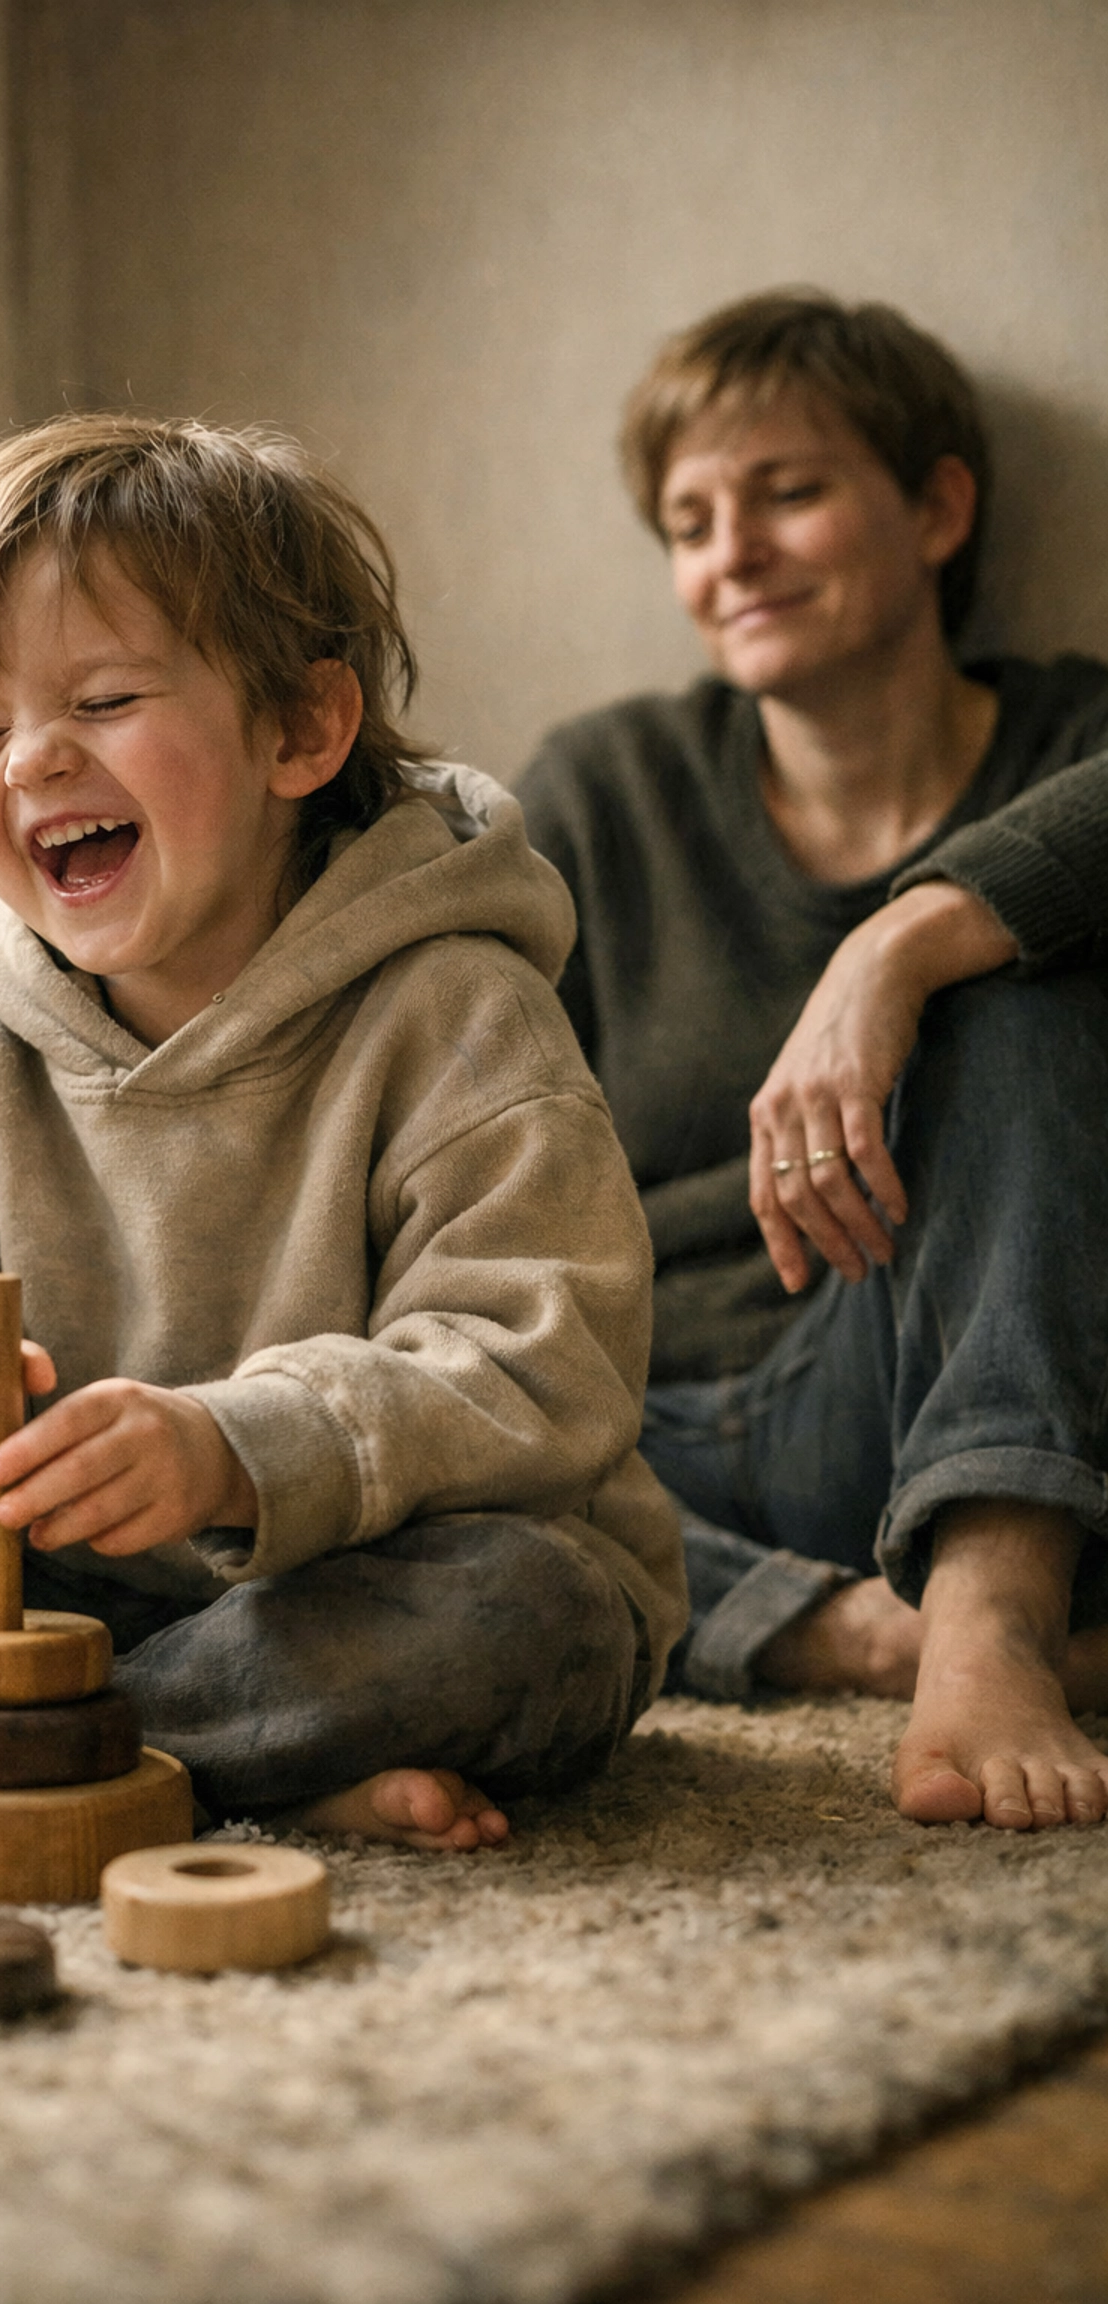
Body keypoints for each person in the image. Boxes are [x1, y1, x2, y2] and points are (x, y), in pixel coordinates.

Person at [0, 413, 683, 1849]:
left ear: (301, 729)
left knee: (527, 1619)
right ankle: (235, 1767)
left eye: (100, 702)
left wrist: (237, 1449)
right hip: (46, 1605)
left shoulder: (460, 1007)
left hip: (344, 1589)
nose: (29, 762)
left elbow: (547, 1369)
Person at [518, 290, 1108, 1833]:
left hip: (943, 1384)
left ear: (937, 507)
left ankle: (989, 1606)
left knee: (1019, 993)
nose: (734, 556)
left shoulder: (1072, 737)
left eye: (788, 492)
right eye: (691, 520)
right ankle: (861, 1631)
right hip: (661, 1439)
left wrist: (898, 949)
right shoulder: (608, 786)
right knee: (409, 1458)